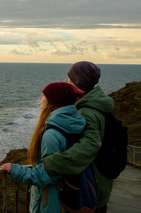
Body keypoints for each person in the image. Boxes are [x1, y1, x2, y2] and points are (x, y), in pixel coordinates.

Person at [0, 82, 85, 212]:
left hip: (52, 202)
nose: (40, 98)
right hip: (69, 195)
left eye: (44, 95)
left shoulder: (51, 134)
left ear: (53, 101)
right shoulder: (75, 125)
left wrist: (16, 170)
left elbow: (49, 173)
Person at [41, 61, 114, 212]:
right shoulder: (98, 105)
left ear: (75, 81)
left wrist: (52, 163)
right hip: (99, 183)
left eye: (68, 78)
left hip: (89, 189)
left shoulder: (86, 112)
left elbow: (90, 145)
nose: (66, 81)